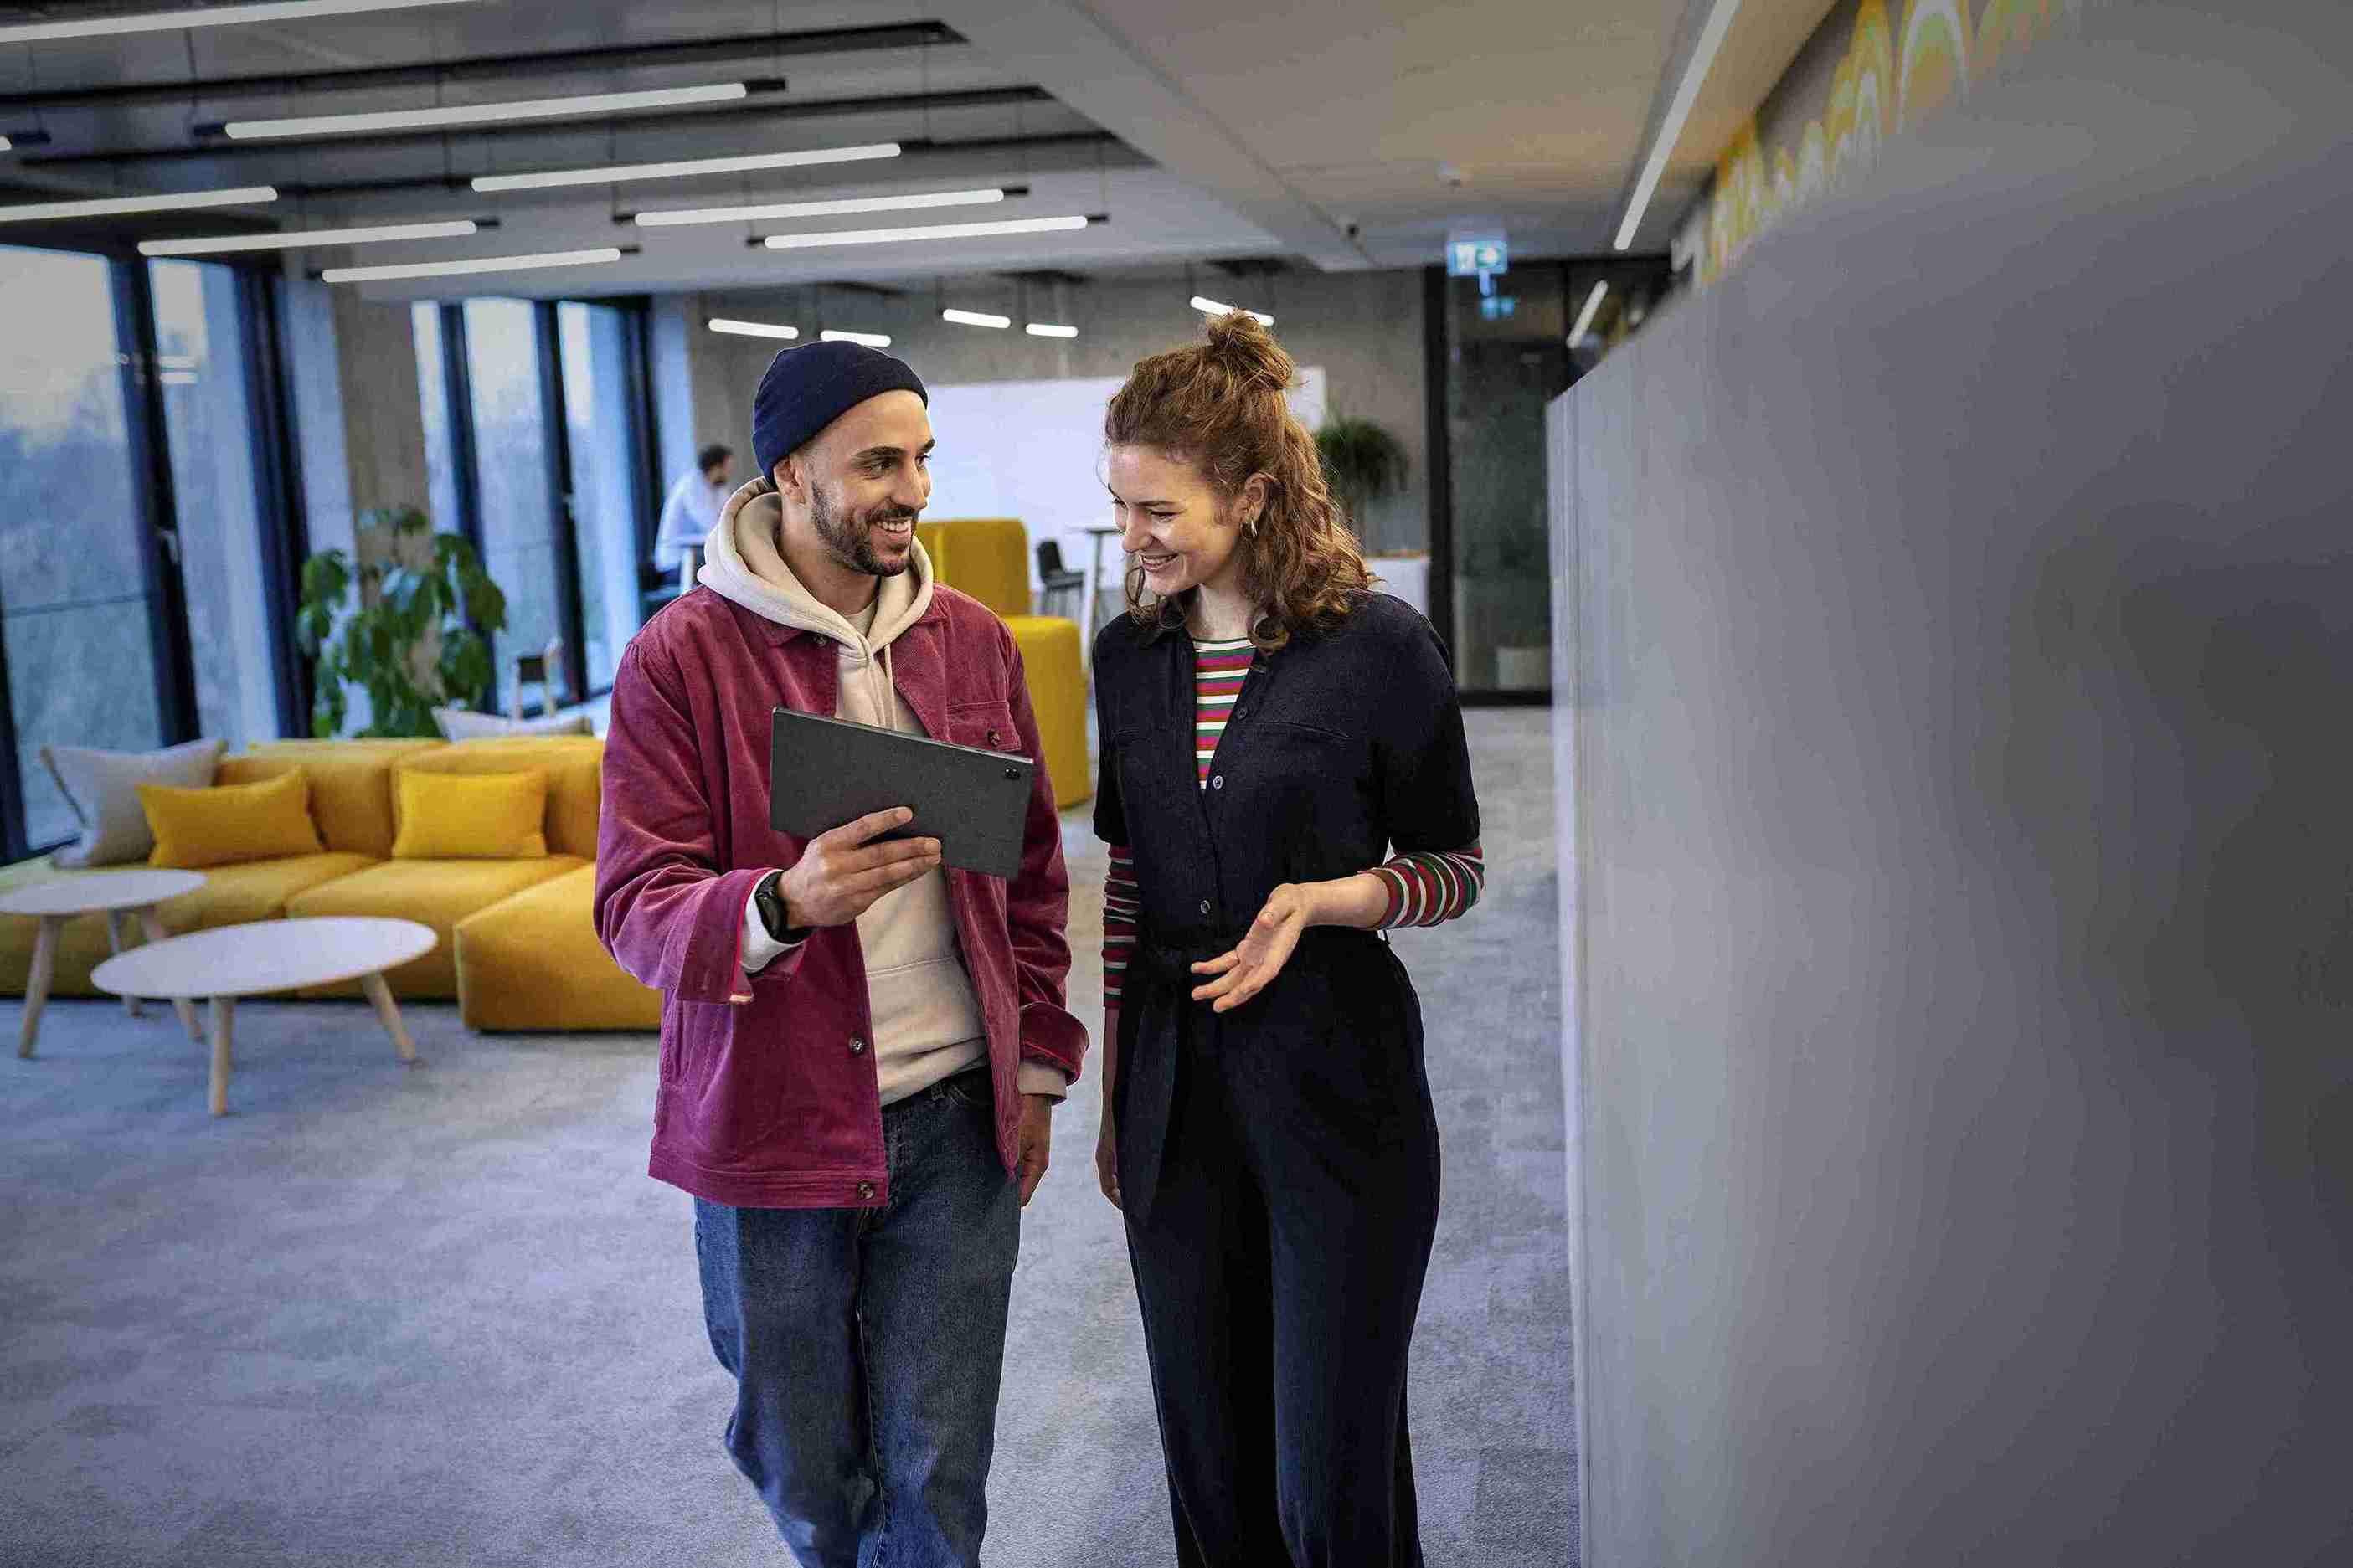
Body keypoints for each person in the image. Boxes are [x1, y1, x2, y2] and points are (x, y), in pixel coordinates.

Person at [594, 342, 1084, 1568]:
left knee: (936, 1473)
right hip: (770, 1125)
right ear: (788, 470)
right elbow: (633, 902)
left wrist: (1037, 1073)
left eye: (920, 460)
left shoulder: (971, 643)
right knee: (804, 1466)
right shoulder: (680, 659)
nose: (910, 491)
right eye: (877, 462)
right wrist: (780, 904)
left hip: (956, 1116)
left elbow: (1029, 874)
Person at [1089, 311, 1486, 1567]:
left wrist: (1322, 899)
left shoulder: (1376, 648)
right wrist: (1114, 1097)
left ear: (1252, 494)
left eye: (1158, 510)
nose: (1132, 537)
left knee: (1330, 1472)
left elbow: (1454, 868)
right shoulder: (1126, 656)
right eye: (1119, 505)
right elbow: (1124, 885)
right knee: (1208, 1460)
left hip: (1336, 1079)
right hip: (1171, 1080)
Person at [653, 442, 733, 586]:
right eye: (727, 468)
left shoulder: (718, 487)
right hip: (676, 565)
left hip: (697, 559)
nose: (729, 472)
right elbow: (712, 525)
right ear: (715, 467)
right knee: (726, 573)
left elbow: (730, 514)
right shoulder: (691, 486)